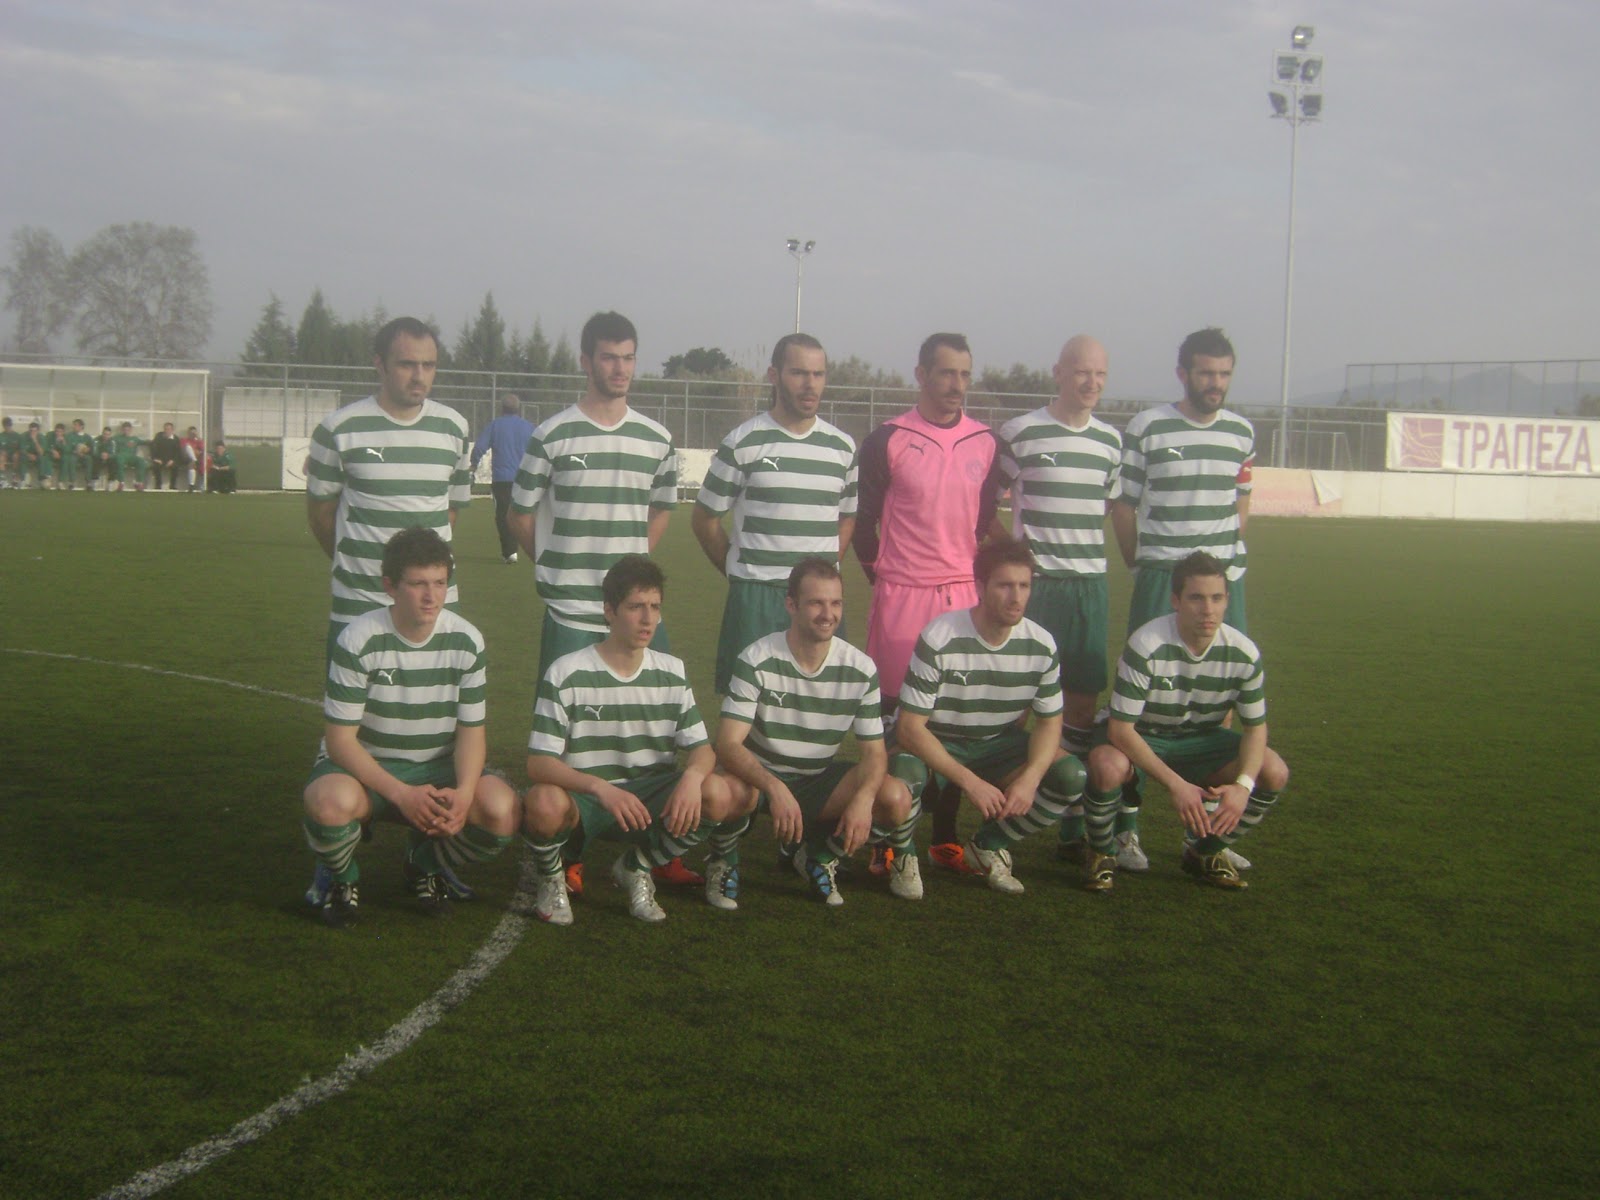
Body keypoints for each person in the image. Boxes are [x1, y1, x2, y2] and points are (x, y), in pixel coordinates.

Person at [506, 311, 698, 892]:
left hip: (634, 613)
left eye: (628, 357)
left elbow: (661, 509)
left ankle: (658, 850)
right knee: (566, 740)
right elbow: (519, 514)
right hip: (571, 611)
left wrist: (632, 580)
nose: (620, 368)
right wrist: (555, 567)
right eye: (609, 357)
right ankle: (567, 853)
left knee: (657, 726)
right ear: (586, 361)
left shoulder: (655, 438)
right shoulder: (553, 434)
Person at [520, 556, 756, 925]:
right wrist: (600, 788)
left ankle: (637, 866)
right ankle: (552, 879)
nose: (648, 619)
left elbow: (701, 749)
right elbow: (538, 763)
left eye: (655, 607)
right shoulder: (567, 671)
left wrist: (692, 778)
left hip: (649, 800)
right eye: (635, 607)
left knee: (717, 791)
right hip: (588, 800)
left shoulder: (671, 672)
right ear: (609, 611)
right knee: (543, 801)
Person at [301, 528, 519, 926]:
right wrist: (401, 794)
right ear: (390, 586)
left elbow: (472, 733)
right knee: (327, 802)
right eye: (418, 584)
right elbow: (340, 741)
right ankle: (343, 879)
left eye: (439, 583)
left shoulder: (467, 641)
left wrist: (465, 792)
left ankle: (423, 865)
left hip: (436, 768)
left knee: (501, 810)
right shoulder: (358, 639)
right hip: (366, 768)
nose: (431, 596)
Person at [852, 332, 1003, 875]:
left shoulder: (985, 442)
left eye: (964, 374)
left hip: (962, 595)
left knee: (952, 719)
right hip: (901, 595)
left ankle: (943, 834)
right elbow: (864, 525)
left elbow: (984, 520)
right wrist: (887, 580)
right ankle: (887, 839)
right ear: (921, 375)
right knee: (895, 721)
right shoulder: (888, 439)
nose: (957, 385)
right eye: (946, 373)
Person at [1109, 327, 1256, 870]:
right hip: (1162, 579)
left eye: (1224, 374)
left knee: (1218, 701)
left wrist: (1226, 560)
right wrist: (1144, 565)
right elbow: (1124, 505)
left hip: (1222, 582)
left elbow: (1243, 501)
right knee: (1143, 704)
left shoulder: (1241, 432)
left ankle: (1206, 835)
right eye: (1205, 373)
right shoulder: (1148, 427)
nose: (1215, 383)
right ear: (1183, 374)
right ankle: (1126, 829)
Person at [715, 558, 926, 906]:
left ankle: (819, 855)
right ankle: (724, 861)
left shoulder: (860, 668)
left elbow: (874, 753)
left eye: (835, 603)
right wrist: (774, 786)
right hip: (758, 781)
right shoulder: (757, 658)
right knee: (720, 793)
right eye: (816, 603)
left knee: (894, 798)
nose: (828, 614)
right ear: (791, 605)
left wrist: (863, 799)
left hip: (817, 780)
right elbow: (727, 744)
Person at [1080, 551, 1289, 892]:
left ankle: (1205, 852)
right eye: (1196, 598)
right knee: (1107, 765)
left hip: (1199, 740)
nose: (1208, 609)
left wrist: (1243, 786)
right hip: (1141, 735)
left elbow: (1255, 729)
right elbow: (1120, 730)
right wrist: (1176, 785)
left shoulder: (1244, 653)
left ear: (1227, 600)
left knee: (1274, 771)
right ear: (1176, 600)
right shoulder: (1147, 644)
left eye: (1217, 598)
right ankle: (1101, 851)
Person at [894, 538, 1086, 894]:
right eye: (1005, 585)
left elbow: (1049, 723)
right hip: (937, 740)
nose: (1016, 597)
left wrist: (1030, 779)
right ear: (980, 588)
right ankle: (903, 855)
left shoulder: (1041, 644)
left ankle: (987, 845)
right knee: (903, 780)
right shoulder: (940, 636)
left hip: (996, 743)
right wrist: (971, 782)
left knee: (1070, 776)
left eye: (1024, 585)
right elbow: (909, 728)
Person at [995, 335, 1122, 861]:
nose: (1091, 382)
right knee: (1019, 701)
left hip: (1089, 586)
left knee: (1082, 702)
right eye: (1081, 371)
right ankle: (1004, 810)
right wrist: (1017, 558)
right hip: (1038, 586)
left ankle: (1071, 820)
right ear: (1058, 372)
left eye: (1100, 374)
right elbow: (987, 505)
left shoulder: (1111, 442)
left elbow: (1107, 509)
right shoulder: (1020, 433)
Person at [693, 332, 858, 696]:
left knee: (820, 704)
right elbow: (704, 518)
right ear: (774, 375)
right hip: (758, 598)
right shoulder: (743, 442)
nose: (810, 384)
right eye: (798, 373)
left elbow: (847, 516)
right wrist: (740, 573)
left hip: (818, 600)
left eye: (818, 374)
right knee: (748, 708)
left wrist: (824, 570)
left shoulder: (843, 448)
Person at [306, 316, 471, 652]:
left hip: (433, 606)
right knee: (352, 688)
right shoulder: (339, 428)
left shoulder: (454, 428)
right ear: (380, 365)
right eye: (407, 364)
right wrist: (357, 566)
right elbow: (320, 514)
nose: (419, 376)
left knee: (430, 687)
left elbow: (450, 511)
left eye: (429, 365)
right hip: (359, 601)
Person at [470, 393, 535, 563]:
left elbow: (480, 447)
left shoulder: (495, 425)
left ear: (502, 408)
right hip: (524, 479)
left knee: (503, 515)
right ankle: (531, 548)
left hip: (502, 479)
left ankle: (510, 552)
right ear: (519, 409)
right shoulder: (529, 427)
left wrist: (473, 464)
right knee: (524, 513)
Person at [112, 422, 149, 490]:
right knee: (119, 459)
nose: (126, 431)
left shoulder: (135, 438)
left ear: (131, 430)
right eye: (125, 430)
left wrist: (154, 441)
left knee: (141, 461)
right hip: (121, 456)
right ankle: (121, 482)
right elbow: (108, 439)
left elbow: (145, 442)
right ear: (122, 430)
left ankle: (139, 483)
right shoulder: (117, 437)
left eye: (128, 430)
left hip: (132, 457)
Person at [64, 419, 96, 490]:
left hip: (84, 455)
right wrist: (76, 451)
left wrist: (87, 449)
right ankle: (71, 482)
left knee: (89, 459)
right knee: (71, 460)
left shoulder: (87, 437)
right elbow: (67, 448)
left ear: (81, 426)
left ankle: (88, 482)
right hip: (74, 455)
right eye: (73, 425)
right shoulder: (69, 436)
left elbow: (92, 447)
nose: (74, 427)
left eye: (76, 425)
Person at [149, 422, 182, 489]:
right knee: (156, 467)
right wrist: (155, 459)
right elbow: (153, 448)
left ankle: (172, 486)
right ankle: (158, 485)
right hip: (160, 459)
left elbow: (178, 452)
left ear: (172, 430)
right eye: (165, 429)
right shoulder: (158, 436)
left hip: (171, 460)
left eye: (168, 429)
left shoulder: (176, 439)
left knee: (175, 467)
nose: (167, 431)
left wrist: (172, 460)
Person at [19, 421, 45, 487]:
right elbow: (22, 450)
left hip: (37, 456)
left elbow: (41, 452)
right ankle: (24, 479)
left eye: (35, 431)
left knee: (42, 458)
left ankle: (41, 479)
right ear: (29, 430)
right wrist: (29, 455)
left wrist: (35, 441)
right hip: (27, 455)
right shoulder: (23, 436)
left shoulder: (41, 437)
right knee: (22, 457)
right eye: (31, 430)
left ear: (38, 431)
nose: (32, 433)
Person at [180, 426, 206, 491]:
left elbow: (202, 450)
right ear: (188, 433)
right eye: (191, 433)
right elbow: (184, 450)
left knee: (192, 464)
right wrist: (195, 451)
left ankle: (191, 485)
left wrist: (198, 441)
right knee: (188, 446)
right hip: (186, 458)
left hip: (196, 460)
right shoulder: (184, 440)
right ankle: (194, 460)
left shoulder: (199, 441)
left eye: (194, 433)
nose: (192, 434)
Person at [94, 426, 118, 491]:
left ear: (110, 435)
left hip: (109, 458)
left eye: (108, 434)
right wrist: (100, 455)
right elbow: (94, 451)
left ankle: (111, 482)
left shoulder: (113, 441)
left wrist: (108, 455)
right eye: (105, 434)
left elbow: (114, 453)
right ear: (102, 433)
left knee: (114, 461)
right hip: (99, 458)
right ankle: (95, 481)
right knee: (94, 460)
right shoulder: (96, 440)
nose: (106, 436)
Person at [0, 417, 20, 487]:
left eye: (9, 425)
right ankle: (2, 480)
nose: (7, 427)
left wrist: (17, 452)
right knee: (1, 457)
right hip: (4, 456)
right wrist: (1, 451)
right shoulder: (1, 436)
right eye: (5, 426)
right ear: (3, 426)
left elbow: (20, 448)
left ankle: (14, 478)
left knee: (16, 456)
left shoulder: (17, 436)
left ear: (11, 425)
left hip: (14, 455)